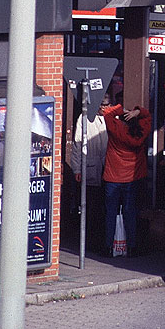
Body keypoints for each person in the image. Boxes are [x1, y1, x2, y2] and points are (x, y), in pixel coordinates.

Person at [102, 83, 152, 257]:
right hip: (132, 177)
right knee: (130, 212)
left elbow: (108, 115)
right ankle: (132, 246)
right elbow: (148, 117)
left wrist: (122, 110)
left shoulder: (116, 129)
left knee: (111, 212)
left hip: (113, 177)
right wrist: (137, 111)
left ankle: (108, 246)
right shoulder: (140, 132)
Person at [70, 88, 111, 250]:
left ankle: (101, 240)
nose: (105, 108)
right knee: (91, 206)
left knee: (103, 206)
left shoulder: (109, 118)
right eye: (102, 105)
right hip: (91, 167)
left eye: (107, 105)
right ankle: (89, 241)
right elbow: (77, 145)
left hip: (107, 168)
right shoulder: (85, 119)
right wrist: (77, 169)